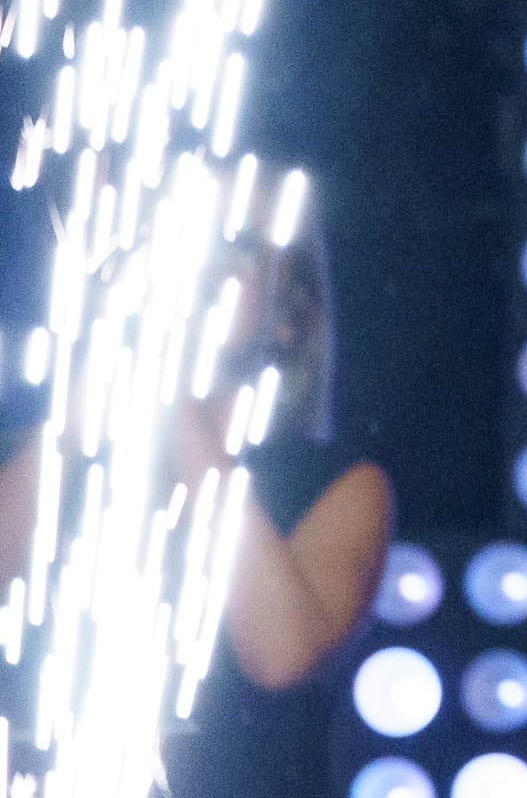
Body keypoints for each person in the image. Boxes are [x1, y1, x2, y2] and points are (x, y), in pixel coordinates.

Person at [0, 223, 394, 798]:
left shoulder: (343, 486)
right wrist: (77, 411)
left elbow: (280, 654)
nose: (198, 258)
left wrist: (165, 393)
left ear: (291, 315)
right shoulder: (43, 455)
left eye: (236, 244)